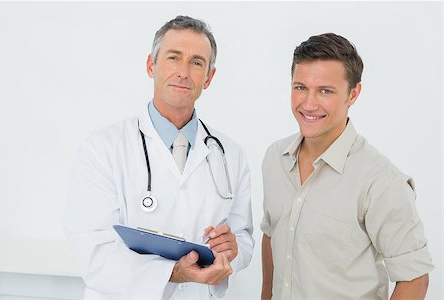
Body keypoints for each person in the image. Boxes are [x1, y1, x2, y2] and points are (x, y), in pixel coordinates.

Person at [64, 15, 254, 299]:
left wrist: (232, 250)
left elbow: (243, 238)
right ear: (151, 66)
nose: (183, 72)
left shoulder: (230, 154)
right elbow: (93, 252)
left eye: (197, 62)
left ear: (209, 77)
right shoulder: (102, 148)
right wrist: (173, 272)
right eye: (173, 58)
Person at [260, 33, 434, 299]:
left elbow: (414, 278)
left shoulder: (380, 181)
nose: (308, 103)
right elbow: (272, 236)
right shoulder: (275, 158)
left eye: (325, 91)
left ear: (353, 94)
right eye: (300, 87)